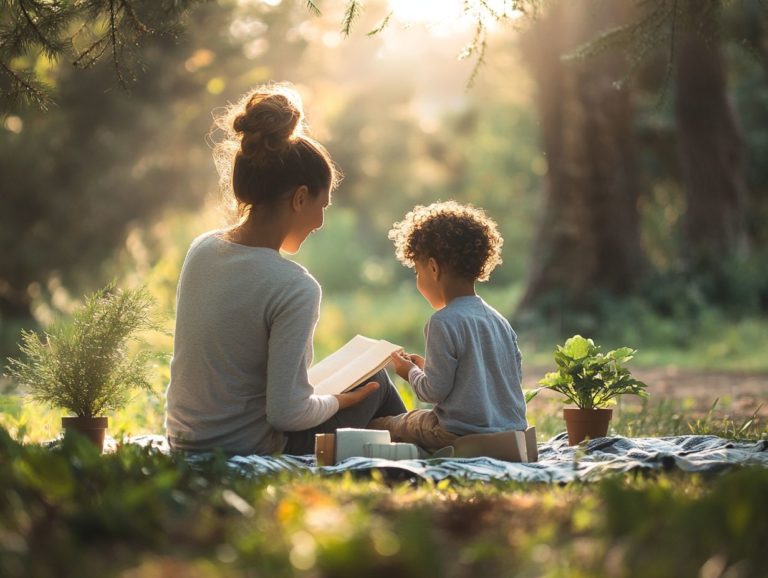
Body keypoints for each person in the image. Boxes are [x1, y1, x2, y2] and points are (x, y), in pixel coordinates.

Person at [165, 84, 406, 456]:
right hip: (251, 446)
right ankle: (421, 455)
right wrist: (340, 402)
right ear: (299, 198)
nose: (322, 221)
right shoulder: (294, 286)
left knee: (342, 388)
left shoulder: (202, 249)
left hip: (185, 441)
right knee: (377, 381)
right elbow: (286, 413)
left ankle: (394, 449)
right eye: (322, 204)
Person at [368, 201, 528, 451]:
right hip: (511, 433)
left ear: (433, 268)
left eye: (417, 272)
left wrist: (408, 372)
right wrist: (426, 367)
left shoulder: (443, 321)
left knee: (384, 426)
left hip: (458, 434)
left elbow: (432, 392)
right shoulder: (499, 321)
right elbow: (497, 378)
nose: (418, 281)